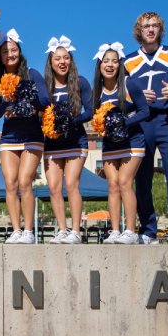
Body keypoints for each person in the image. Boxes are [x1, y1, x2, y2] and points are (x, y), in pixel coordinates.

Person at [124, 13, 168, 244]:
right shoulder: (128, 61)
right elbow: (121, 96)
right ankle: (147, 230)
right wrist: (135, 97)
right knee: (142, 176)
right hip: (141, 122)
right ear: (139, 30)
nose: (151, 29)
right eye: (146, 26)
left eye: (155, 25)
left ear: (160, 29)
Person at [0, 29, 49, 244]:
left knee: (24, 182)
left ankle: (29, 231)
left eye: (13, 50)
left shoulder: (31, 74)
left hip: (32, 135)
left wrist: (26, 103)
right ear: (0, 56)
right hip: (9, 137)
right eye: (5, 51)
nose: (10, 54)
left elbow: (45, 101)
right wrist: (5, 100)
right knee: (10, 183)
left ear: (20, 52)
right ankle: (16, 230)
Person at [93, 43, 150, 244]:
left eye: (114, 61)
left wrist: (124, 121)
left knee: (125, 182)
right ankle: (115, 230)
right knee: (112, 185)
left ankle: (131, 231)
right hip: (109, 144)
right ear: (99, 65)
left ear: (120, 64)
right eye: (106, 61)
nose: (110, 65)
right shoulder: (97, 91)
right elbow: (96, 117)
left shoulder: (129, 84)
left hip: (133, 141)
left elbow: (145, 111)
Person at [42, 36, 93, 244]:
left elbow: (90, 111)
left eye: (66, 58)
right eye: (57, 58)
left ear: (70, 60)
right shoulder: (45, 85)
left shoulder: (81, 82)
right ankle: (62, 230)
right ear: (51, 62)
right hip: (52, 143)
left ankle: (76, 231)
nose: (62, 62)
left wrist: (71, 120)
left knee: (71, 184)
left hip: (75, 141)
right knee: (54, 187)